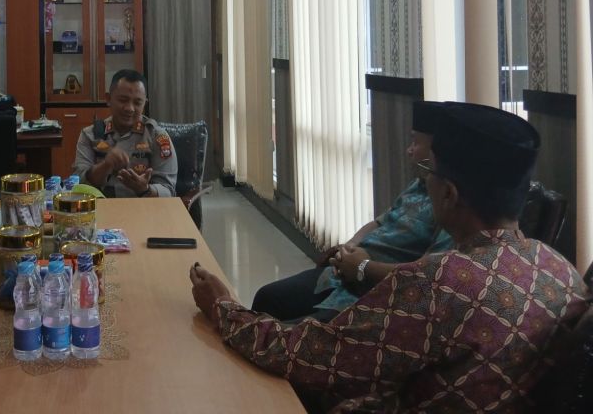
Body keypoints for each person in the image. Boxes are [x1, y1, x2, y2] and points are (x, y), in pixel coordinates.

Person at [190, 102, 589, 412]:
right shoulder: (561, 271)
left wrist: (224, 307)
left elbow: (310, 355)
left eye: (429, 172)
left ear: (448, 193)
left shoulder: (440, 282)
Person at [252, 100, 453, 321]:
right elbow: (380, 222)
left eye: (415, 142)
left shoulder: (450, 207)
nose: (409, 150)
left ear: (436, 152)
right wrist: (350, 246)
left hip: (375, 290)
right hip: (343, 274)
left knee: (293, 331)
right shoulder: (419, 184)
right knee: (267, 298)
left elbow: (422, 275)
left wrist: (362, 267)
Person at [72, 69, 177, 197]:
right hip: (102, 207)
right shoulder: (90, 134)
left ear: (144, 104)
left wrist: (144, 189)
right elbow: (79, 184)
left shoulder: (157, 136)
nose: (129, 108)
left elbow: (168, 191)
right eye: (123, 100)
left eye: (137, 103)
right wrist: (105, 165)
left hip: (144, 207)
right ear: (108, 99)